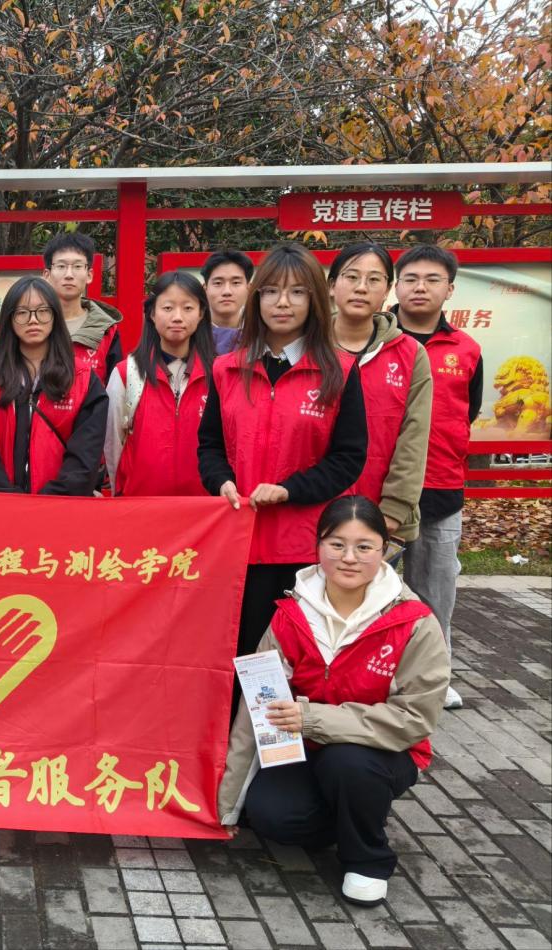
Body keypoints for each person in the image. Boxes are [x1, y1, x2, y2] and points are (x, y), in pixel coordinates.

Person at [218, 496, 448, 907]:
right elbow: (258, 709)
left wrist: (312, 718)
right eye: (336, 544)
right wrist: (229, 806)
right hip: (304, 750)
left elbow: (415, 717)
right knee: (271, 816)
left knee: (349, 764)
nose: (349, 558)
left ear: (384, 550)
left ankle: (368, 859)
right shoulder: (289, 615)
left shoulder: (414, 622)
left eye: (364, 546)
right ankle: (350, 813)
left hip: (380, 753)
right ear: (318, 546)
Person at [198, 242, 368, 668]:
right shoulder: (227, 368)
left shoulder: (339, 370)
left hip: (306, 546)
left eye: (297, 292)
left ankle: (295, 716)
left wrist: (289, 490)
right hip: (239, 539)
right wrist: (220, 481)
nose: (282, 303)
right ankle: (242, 717)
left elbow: (348, 458)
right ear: (257, 299)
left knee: (300, 658)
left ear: (315, 299)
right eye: (271, 291)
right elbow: (210, 445)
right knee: (242, 654)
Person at [393, 245, 482, 710]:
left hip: (442, 486)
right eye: (410, 278)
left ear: (449, 289)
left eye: (432, 279)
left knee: (436, 590)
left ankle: (434, 677)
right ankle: (371, 673)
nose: (420, 287)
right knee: (368, 586)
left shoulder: (466, 349)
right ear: (396, 285)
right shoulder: (376, 340)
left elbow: (471, 410)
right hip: (382, 489)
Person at [329, 243, 432, 547]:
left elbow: (414, 435)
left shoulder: (410, 353)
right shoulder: (306, 348)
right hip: (311, 509)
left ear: (387, 290)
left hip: (381, 514)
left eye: (374, 279)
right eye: (351, 277)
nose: (361, 287)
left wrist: (392, 512)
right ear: (332, 285)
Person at [0, 278, 107, 494]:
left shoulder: (82, 379)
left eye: (43, 311)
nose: (33, 320)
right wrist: (13, 503)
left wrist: (47, 502)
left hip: (61, 508)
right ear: (9, 319)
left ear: (55, 316)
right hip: (0, 507)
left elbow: (85, 458)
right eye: (22, 312)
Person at [105, 272, 215, 496]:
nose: (177, 317)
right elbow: (112, 445)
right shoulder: (127, 374)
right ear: (152, 314)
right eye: (167, 308)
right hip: (140, 506)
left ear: (201, 313)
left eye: (188, 308)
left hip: (204, 507)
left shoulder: (218, 374)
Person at [41, 232, 123, 384]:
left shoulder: (107, 331)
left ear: (89, 275)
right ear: (47, 275)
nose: (69, 275)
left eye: (77, 266)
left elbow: (114, 388)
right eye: (61, 266)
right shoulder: (32, 324)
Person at [202, 249, 254, 356]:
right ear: (205, 289)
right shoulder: (191, 332)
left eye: (236, 283)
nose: (227, 291)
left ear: (249, 289)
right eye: (218, 283)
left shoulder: (259, 333)